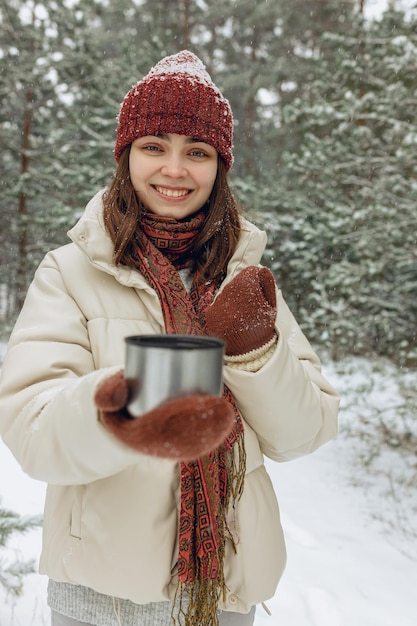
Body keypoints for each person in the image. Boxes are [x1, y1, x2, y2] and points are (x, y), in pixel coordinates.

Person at [0, 51, 339, 626]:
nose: (175, 170)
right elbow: (32, 431)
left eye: (197, 152)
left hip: (221, 590)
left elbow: (304, 433)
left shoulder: (243, 276)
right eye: (154, 146)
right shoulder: (71, 271)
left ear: (219, 165)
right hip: (100, 592)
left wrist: (255, 355)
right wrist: (128, 402)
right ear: (126, 156)